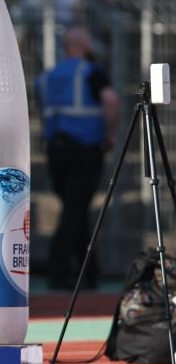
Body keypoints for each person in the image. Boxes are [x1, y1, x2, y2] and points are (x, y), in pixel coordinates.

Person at [37, 26, 119, 289]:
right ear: (84, 46)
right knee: (75, 210)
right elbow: (111, 100)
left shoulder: (48, 77)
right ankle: (58, 271)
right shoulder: (90, 71)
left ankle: (89, 272)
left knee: (76, 208)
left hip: (56, 151)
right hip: (85, 148)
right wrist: (110, 134)